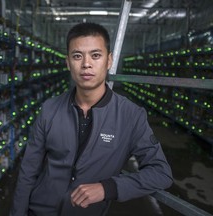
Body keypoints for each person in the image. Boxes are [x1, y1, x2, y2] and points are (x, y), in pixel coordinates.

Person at [10, 22, 173, 216]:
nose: (86, 64)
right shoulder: (49, 109)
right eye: (77, 56)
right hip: (39, 210)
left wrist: (108, 188)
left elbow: (161, 173)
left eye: (96, 55)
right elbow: (28, 171)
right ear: (68, 62)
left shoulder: (131, 116)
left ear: (109, 60)